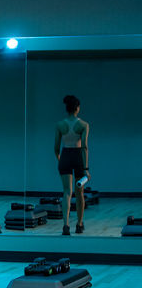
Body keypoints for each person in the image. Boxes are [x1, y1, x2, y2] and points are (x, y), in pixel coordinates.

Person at [54, 95, 90, 235]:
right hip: (78, 158)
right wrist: (86, 168)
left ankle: (66, 225)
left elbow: (56, 148)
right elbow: (84, 147)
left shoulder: (60, 125)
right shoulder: (83, 125)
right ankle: (79, 225)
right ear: (77, 108)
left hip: (65, 156)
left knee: (67, 192)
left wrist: (61, 161)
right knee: (79, 193)